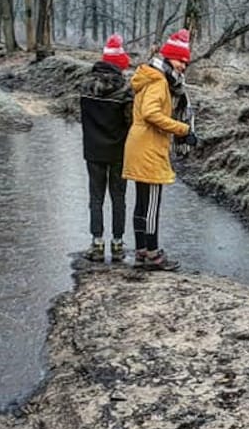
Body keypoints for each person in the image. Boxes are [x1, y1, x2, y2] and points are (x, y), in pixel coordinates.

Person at [123, 29, 198, 270]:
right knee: (152, 204)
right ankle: (153, 255)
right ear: (167, 58)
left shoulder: (149, 76)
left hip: (138, 143)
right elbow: (151, 113)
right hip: (149, 146)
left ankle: (141, 252)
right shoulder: (158, 81)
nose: (183, 65)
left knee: (142, 203)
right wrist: (183, 129)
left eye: (186, 61)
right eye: (180, 60)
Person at [79, 34, 133, 263]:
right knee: (118, 198)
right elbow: (130, 121)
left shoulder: (85, 85)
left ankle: (97, 243)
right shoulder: (126, 91)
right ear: (120, 65)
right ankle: (118, 245)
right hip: (119, 151)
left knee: (96, 197)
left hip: (93, 150)